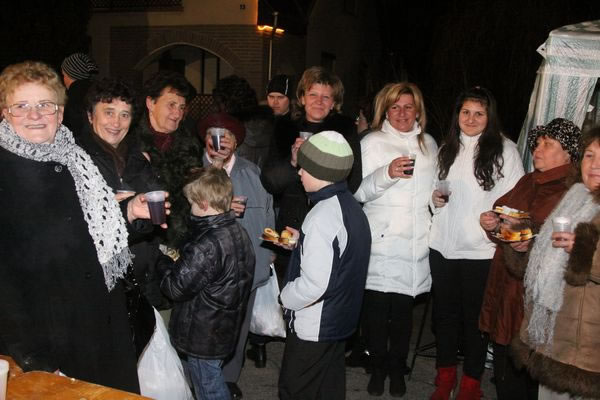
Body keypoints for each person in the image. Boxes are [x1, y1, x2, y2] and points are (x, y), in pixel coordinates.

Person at [0, 60, 162, 393]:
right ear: (5, 113)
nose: (35, 114)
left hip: (100, 318)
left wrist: (129, 212)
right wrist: (33, 357)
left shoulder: (74, 158)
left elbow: (85, 230)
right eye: (22, 106)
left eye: (45, 104)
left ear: (60, 113)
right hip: (49, 335)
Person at [428, 87, 524, 400]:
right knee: (444, 317)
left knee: (475, 321)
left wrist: (496, 220)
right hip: (442, 247)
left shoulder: (505, 150)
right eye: (465, 112)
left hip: (480, 251)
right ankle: (444, 379)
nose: (471, 119)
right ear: (457, 115)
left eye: (479, 113)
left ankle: (471, 383)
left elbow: (516, 201)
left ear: (489, 116)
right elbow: (433, 192)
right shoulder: (447, 148)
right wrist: (434, 201)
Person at [478, 118, 581, 400]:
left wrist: (530, 243)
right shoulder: (529, 180)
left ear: (568, 153)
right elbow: (504, 212)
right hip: (505, 283)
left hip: (532, 293)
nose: (537, 149)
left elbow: (564, 245)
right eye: (537, 143)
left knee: (527, 366)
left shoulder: (571, 191)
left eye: (548, 144)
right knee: (505, 362)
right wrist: (492, 222)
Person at [354, 82, 438, 397]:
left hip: (414, 242)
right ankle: (377, 368)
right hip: (381, 240)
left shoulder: (429, 144)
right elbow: (357, 192)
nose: (402, 113)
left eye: (408, 107)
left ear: (418, 111)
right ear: (385, 111)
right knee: (376, 313)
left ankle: (397, 367)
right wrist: (386, 174)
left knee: (403, 314)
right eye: (395, 107)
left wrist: (437, 201)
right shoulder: (371, 142)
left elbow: (434, 189)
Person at [276, 131, 371, 400]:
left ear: (320, 172)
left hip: (315, 324)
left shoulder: (321, 216)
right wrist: (302, 242)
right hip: (338, 319)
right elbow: (341, 254)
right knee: (328, 389)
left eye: (304, 168)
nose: (299, 173)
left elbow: (315, 284)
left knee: (296, 390)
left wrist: (285, 297)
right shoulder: (349, 206)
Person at [510, 126, 600, 400]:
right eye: (589, 155)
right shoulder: (575, 196)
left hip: (588, 344)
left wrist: (584, 250)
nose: (595, 165)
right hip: (553, 334)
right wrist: (525, 247)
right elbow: (549, 254)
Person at [260, 66, 363, 287]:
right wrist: (293, 163)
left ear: (334, 103)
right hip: (290, 224)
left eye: (326, 97)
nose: (319, 101)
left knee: (324, 285)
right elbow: (270, 182)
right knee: (289, 290)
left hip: (329, 223)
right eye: (313, 94)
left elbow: (353, 181)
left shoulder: (344, 131)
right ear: (302, 98)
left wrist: (318, 165)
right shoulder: (285, 128)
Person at [197, 112, 275, 398]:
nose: (220, 141)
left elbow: (268, 211)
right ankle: (203, 376)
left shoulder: (252, 172)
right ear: (205, 141)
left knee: (239, 325)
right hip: (207, 265)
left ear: (236, 142)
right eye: (213, 136)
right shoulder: (193, 171)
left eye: (226, 136)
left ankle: (230, 377)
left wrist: (270, 250)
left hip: (246, 262)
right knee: (206, 325)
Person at [160, 167, 255, 400]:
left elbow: (175, 288)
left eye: (191, 203)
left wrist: (164, 262)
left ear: (202, 204)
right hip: (223, 327)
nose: (189, 208)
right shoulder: (238, 231)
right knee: (210, 380)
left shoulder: (208, 244)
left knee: (209, 387)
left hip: (204, 334)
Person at [136, 70, 203, 247]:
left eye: (181, 107)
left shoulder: (190, 144)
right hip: (142, 239)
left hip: (183, 241)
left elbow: (197, 192)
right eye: (171, 105)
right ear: (151, 103)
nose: (177, 113)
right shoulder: (130, 142)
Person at [212, 74, 274, 170]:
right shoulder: (268, 126)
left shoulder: (231, 134)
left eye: (218, 103)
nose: (215, 107)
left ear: (226, 104)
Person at [61, 52, 99, 136]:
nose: (63, 79)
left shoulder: (69, 98)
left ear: (71, 74)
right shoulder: (98, 93)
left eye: (64, 75)